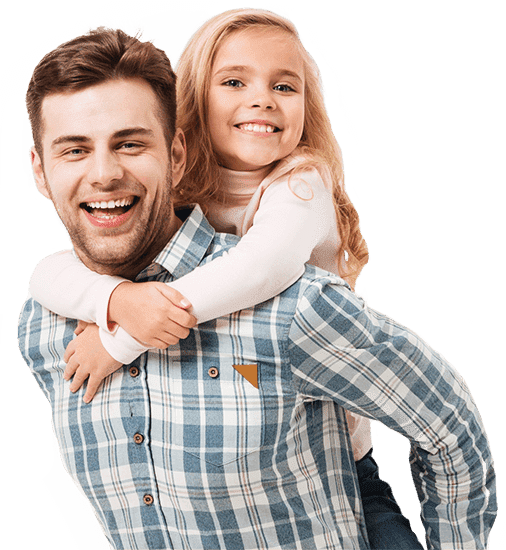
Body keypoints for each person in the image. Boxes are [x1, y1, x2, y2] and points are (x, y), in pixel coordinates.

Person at [18, 19, 496, 550]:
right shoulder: (44, 326)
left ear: (174, 154)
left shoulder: (291, 294)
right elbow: (45, 275)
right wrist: (115, 305)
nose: (104, 173)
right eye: (74, 150)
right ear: (38, 170)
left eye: (130, 144)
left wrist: (119, 336)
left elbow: (450, 427)